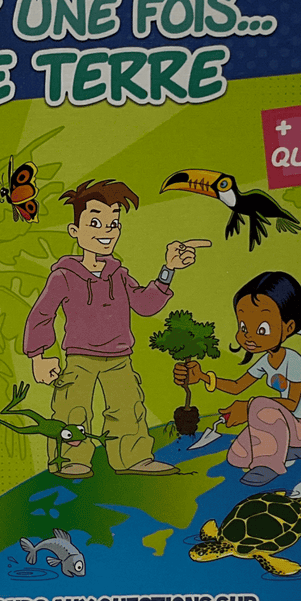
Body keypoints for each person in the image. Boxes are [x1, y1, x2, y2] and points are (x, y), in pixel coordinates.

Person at [23, 178, 209, 478]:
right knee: (72, 409)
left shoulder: (118, 274)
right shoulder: (64, 275)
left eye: (113, 224)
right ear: (75, 231)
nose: (106, 232)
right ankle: (69, 459)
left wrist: (168, 270)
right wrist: (38, 356)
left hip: (119, 357)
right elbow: (42, 314)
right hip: (79, 357)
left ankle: (133, 457)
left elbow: (145, 304)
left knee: (127, 408)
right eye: (95, 223)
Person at [175, 270, 301, 487]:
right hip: (282, 426)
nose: (248, 336)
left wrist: (248, 408)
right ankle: (287, 450)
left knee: (259, 406)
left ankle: (271, 464)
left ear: (289, 327)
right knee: (237, 456)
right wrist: (202, 377)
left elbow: (293, 403)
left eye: (262, 328)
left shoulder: (294, 361)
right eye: (243, 327)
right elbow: (238, 386)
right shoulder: (266, 361)